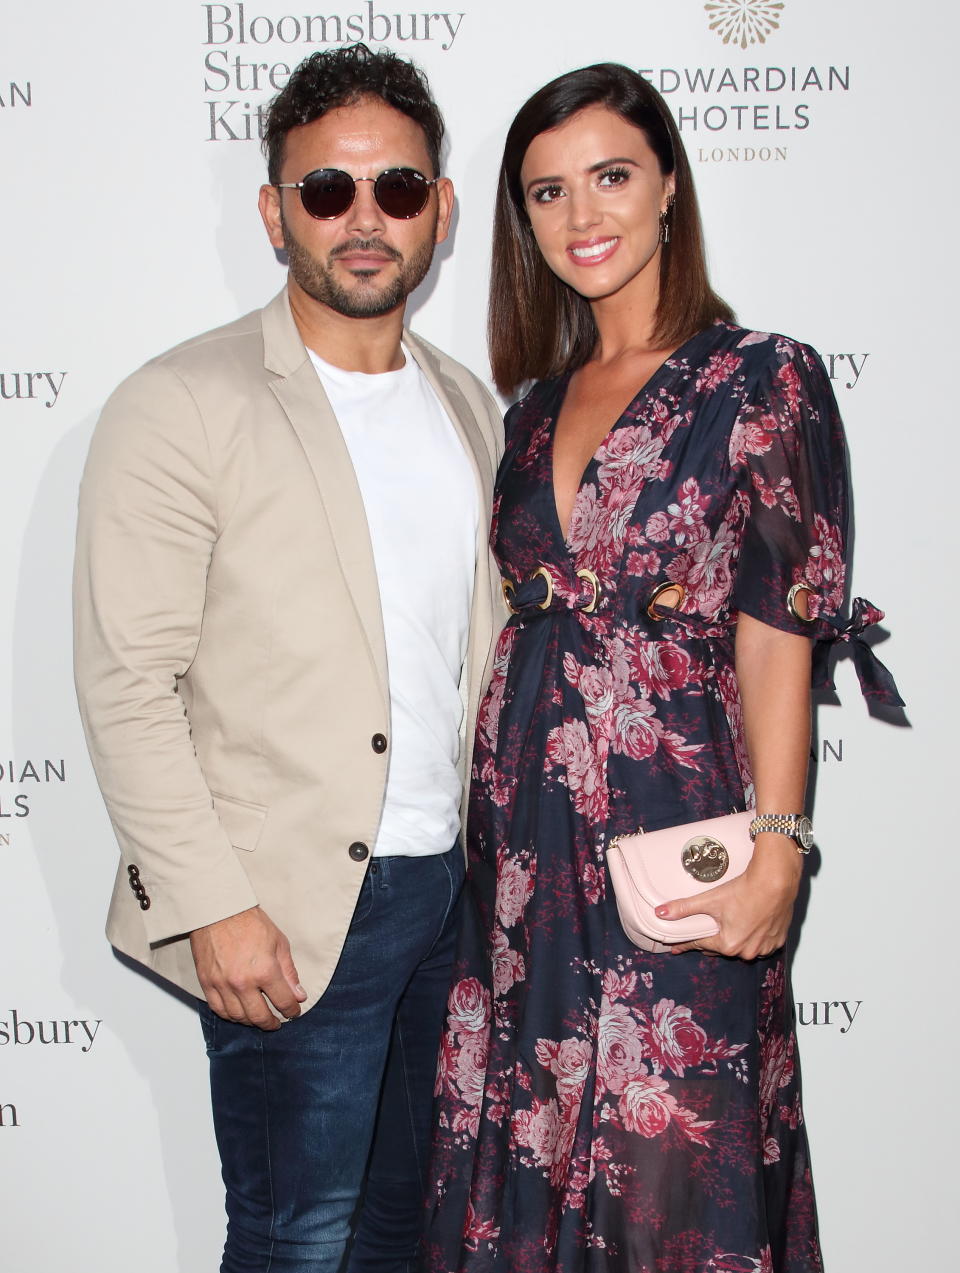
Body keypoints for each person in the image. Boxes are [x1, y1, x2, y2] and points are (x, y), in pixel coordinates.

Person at [424, 63, 899, 1271]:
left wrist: (782, 842)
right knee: (526, 1154)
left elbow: (779, 625)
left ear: (670, 187)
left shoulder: (760, 379)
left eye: (612, 176)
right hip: (522, 848)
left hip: (675, 829)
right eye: (546, 191)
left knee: (674, 1167)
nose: (581, 215)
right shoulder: (530, 407)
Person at [73, 43, 503, 1273]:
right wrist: (214, 903)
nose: (365, 221)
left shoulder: (468, 403)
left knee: (405, 1232)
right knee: (293, 1240)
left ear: (440, 212)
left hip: (448, 892)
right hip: (289, 907)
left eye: (399, 190)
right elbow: (125, 682)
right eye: (328, 191)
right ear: (275, 212)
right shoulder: (185, 401)